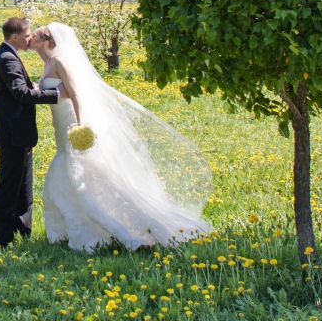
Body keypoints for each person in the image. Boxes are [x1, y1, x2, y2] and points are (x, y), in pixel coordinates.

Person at [29, 22, 213, 252]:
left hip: (70, 122)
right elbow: (53, 91)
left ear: (46, 40)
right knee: (67, 176)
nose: (29, 38)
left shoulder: (58, 61)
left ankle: (127, 237)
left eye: (34, 35)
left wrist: (80, 126)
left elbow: (75, 93)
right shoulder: (47, 64)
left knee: (76, 177)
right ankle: (79, 228)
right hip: (60, 126)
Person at [0, 17, 66, 247]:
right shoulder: (7, 58)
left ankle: (21, 234)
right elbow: (21, 94)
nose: (29, 38)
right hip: (13, 134)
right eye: (27, 34)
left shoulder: (7, 55)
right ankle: (2, 239)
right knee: (9, 187)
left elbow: (19, 89)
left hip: (17, 134)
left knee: (23, 187)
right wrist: (58, 94)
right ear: (15, 37)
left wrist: (35, 87)